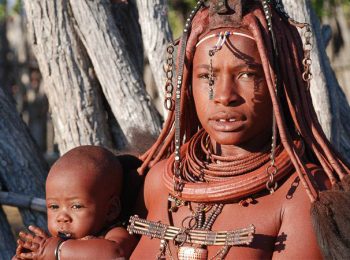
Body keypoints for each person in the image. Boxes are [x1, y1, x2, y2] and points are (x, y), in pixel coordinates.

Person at [128, 0, 350, 259]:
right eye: (207, 77)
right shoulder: (158, 181)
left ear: (280, 85)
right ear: (187, 86)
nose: (224, 96)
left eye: (247, 74)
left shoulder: (302, 197)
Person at [14, 145, 137, 260]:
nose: (62, 217)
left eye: (76, 206)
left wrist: (57, 251)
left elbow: (115, 253)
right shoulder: (54, 242)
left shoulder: (114, 234)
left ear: (111, 210)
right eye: (54, 206)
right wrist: (31, 254)